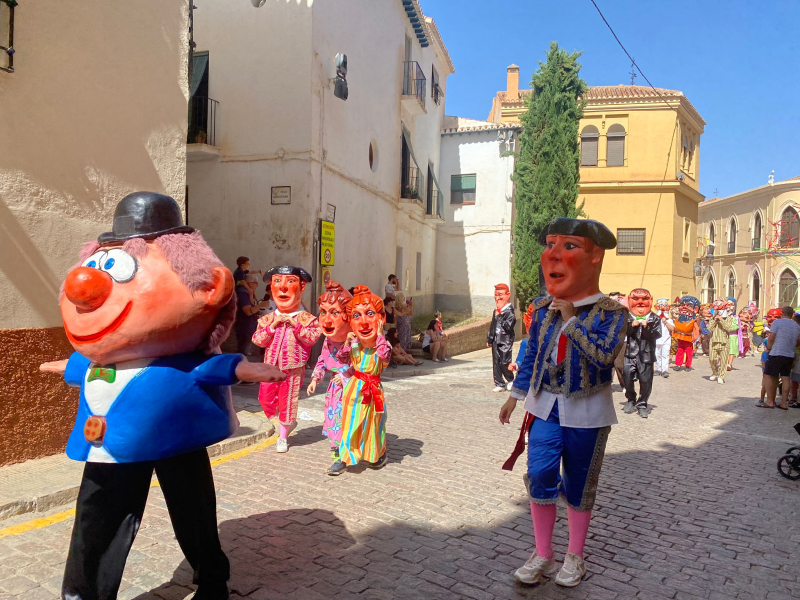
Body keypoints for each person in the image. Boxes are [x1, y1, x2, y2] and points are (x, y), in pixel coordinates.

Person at [39, 192, 285, 600]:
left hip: (176, 437)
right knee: (96, 518)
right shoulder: (103, 354)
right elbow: (90, 368)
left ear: (210, 287)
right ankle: (83, 594)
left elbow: (203, 368)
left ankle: (211, 579)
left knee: (194, 513)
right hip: (111, 447)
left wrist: (241, 367)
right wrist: (69, 366)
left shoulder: (178, 355)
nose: (84, 288)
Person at [499, 217, 626, 589]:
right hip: (544, 406)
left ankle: (574, 556)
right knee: (539, 474)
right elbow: (533, 353)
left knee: (579, 485)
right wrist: (514, 395)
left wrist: (573, 321)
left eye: (568, 246)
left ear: (595, 257)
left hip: (588, 411)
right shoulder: (541, 307)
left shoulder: (612, 313)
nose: (553, 255)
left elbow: (604, 357)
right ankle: (542, 553)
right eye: (550, 245)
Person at [252, 266, 322, 453]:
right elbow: (258, 340)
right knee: (264, 398)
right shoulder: (267, 319)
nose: (282, 288)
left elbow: (312, 338)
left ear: (301, 287)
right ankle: (285, 422)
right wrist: (272, 326)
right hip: (270, 366)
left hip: (293, 366)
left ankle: (283, 435)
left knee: (288, 400)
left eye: (290, 282)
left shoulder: (307, 318)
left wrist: (296, 325)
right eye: (277, 282)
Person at [328, 285, 391, 476]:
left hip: (374, 390)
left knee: (375, 423)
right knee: (351, 423)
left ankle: (377, 455)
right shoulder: (355, 344)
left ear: (381, 319)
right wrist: (348, 343)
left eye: (370, 314)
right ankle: (344, 458)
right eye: (356, 316)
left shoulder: (384, 344)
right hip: (355, 388)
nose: (363, 322)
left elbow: (385, 355)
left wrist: (379, 335)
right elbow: (342, 359)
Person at [307, 281, 353, 461]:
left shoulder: (357, 340)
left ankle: (348, 448)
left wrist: (345, 377)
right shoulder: (328, 341)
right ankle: (338, 448)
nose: (326, 319)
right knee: (334, 417)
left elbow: (362, 365)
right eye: (323, 312)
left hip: (351, 389)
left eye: (335, 313)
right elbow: (323, 359)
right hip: (334, 390)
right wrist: (315, 379)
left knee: (348, 418)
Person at [622, 289, 661, 418]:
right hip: (630, 353)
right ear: (629, 300)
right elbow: (622, 333)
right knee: (627, 377)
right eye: (636, 299)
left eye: (644, 299)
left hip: (646, 354)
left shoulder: (654, 318)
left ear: (651, 300)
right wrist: (632, 326)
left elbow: (657, 334)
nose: (640, 302)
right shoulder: (626, 316)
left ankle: (642, 404)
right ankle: (631, 400)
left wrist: (647, 327)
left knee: (646, 381)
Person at [759, 305, 800, 409]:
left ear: (782, 314)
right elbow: (798, 341)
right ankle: (783, 403)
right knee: (786, 377)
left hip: (776, 353)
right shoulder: (796, 326)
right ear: (792, 315)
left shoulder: (777, 322)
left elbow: (771, 337)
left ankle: (769, 401)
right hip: (789, 354)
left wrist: (768, 348)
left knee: (768, 375)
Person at [487, 284, 516, 392]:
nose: (497, 298)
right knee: (496, 362)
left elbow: (508, 326)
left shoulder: (510, 312)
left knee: (505, 361)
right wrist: (490, 339)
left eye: (500, 295)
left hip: (505, 340)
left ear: (507, 295)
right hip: (496, 339)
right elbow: (492, 326)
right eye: (495, 295)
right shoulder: (496, 311)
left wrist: (500, 316)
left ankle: (510, 379)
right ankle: (499, 383)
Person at [234, 274, 270, 356]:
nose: (257, 285)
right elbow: (248, 311)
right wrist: (260, 305)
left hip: (249, 327)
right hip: (244, 328)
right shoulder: (243, 294)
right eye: (255, 283)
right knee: (243, 353)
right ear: (249, 283)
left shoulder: (249, 294)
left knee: (246, 352)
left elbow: (253, 305)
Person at [708, 298, 738, 385]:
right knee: (712, 359)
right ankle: (714, 372)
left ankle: (721, 376)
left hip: (724, 342)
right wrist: (715, 320)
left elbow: (729, 328)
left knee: (724, 360)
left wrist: (721, 320)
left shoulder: (729, 318)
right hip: (714, 341)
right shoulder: (712, 318)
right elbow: (710, 328)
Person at [673, 296, 700, 372]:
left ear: (695, 309)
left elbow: (696, 329)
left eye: (689, 305)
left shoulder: (693, 320)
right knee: (679, 351)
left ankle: (688, 365)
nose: (684, 307)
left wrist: (694, 338)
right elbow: (675, 327)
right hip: (680, 337)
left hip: (688, 338)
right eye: (682, 304)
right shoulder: (679, 319)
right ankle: (678, 364)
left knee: (689, 352)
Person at [654, 298, 674, 377]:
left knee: (665, 355)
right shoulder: (655, 318)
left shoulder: (669, 319)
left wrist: (665, 322)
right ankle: (658, 369)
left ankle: (665, 370)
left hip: (666, 340)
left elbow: (672, 328)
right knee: (657, 355)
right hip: (657, 340)